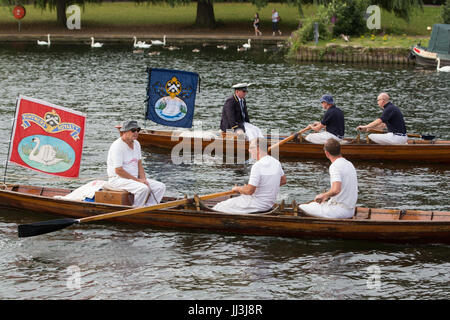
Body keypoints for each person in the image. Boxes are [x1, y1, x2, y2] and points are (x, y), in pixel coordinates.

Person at [213, 138, 287, 214]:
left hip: (256, 204)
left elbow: (249, 191)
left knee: (219, 207)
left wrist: (237, 188)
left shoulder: (258, 165)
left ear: (258, 149)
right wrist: (264, 187)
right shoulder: (276, 162)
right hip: (268, 204)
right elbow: (283, 181)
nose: (249, 150)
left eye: (251, 148)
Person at [107, 120, 166, 207]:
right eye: (133, 130)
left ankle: (149, 207)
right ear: (124, 132)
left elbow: (139, 163)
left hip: (134, 179)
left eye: (138, 130)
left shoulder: (137, 144)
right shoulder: (117, 146)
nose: (136, 133)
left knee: (160, 187)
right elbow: (119, 171)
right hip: (118, 179)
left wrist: (143, 179)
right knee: (143, 189)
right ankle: (136, 208)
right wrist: (138, 181)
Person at [299, 138, 358, 219]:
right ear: (339, 151)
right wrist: (326, 196)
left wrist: (323, 195)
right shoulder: (349, 163)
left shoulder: (335, 166)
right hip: (350, 210)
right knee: (312, 205)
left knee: (302, 207)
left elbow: (336, 190)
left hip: (339, 211)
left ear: (326, 153)